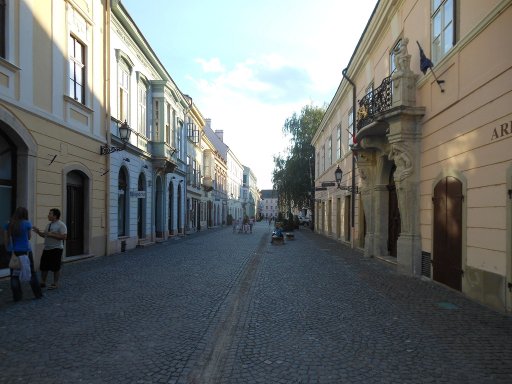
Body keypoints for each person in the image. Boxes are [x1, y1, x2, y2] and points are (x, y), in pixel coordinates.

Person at [2, 207, 43, 301]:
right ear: (25, 214)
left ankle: (17, 297)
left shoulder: (9, 224)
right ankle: (38, 294)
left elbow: (5, 240)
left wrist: (8, 249)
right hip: (26, 251)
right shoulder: (27, 223)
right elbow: (29, 237)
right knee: (32, 273)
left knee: (14, 275)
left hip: (13, 252)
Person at [33, 208, 67, 290]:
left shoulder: (61, 225)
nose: (48, 215)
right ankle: (43, 282)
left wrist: (52, 235)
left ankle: (55, 283)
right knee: (44, 266)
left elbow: (64, 237)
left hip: (57, 248)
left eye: (50, 214)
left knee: (56, 267)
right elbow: (45, 235)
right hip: (47, 248)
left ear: (55, 216)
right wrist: (38, 232)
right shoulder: (49, 225)